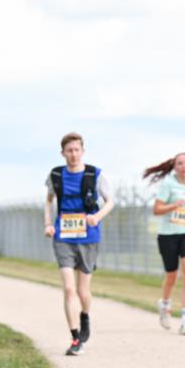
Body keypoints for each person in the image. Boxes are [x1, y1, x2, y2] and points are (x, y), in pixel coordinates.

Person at [44, 132, 114, 356]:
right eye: (69, 150)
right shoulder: (56, 175)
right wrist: (48, 224)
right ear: (62, 153)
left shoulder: (96, 174)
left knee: (83, 290)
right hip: (63, 236)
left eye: (76, 150)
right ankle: (75, 338)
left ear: (83, 151)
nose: (73, 154)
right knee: (68, 288)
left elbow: (110, 201)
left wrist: (97, 217)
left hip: (88, 236)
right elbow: (49, 200)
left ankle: (85, 316)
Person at [144, 152, 185, 335]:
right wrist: (173, 205)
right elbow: (157, 209)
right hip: (168, 234)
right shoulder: (167, 184)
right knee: (172, 276)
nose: (184, 166)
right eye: (180, 163)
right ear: (175, 166)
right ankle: (164, 304)